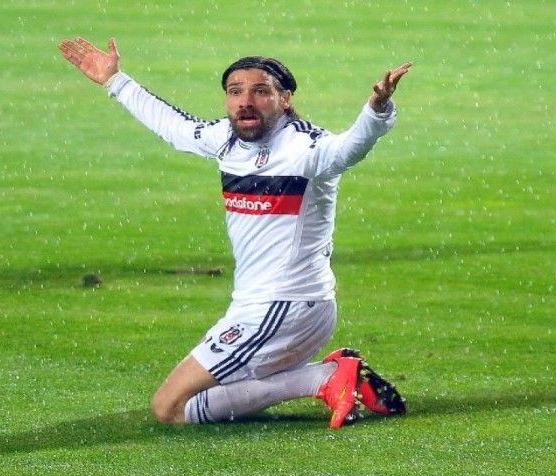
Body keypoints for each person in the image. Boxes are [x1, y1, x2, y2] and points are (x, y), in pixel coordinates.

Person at [58, 37, 411, 429]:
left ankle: (324, 378)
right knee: (204, 399)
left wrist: (377, 109)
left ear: (285, 99)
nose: (245, 101)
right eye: (235, 91)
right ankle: (328, 375)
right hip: (264, 307)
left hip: (286, 306)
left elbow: (350, 148)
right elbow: (174, 126)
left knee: (170, 408)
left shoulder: (305, 148)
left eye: (260, 91)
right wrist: (115, 81)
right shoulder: (226, 141)